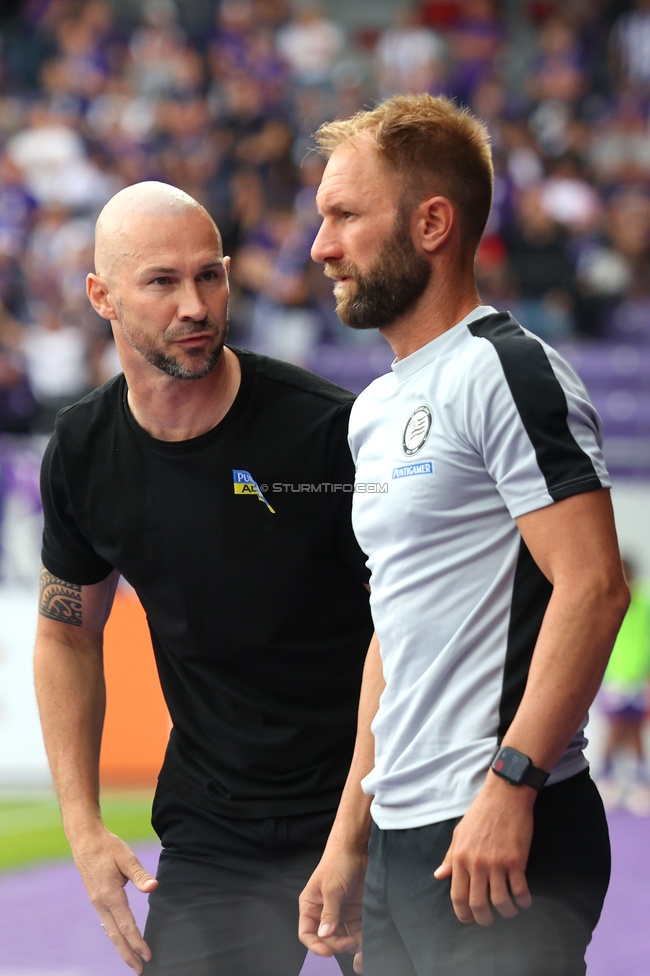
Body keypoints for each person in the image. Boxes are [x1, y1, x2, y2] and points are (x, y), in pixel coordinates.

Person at [298, 93, 630, 976]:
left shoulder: (506, 370)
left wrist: (511, 785)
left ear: (433, 222)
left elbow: (595, 586)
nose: (320, 246)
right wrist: (349, 838)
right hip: (400, 837)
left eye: (344, 216)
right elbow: (390, 635)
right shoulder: (375, 407)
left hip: (498, 830)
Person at [33, 180, 374, 976]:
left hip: (374, 800)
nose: (195, 305)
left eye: (210, 275)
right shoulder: (83, 450)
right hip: (216, 829)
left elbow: (407, 632)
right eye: (161, 282)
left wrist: (355, 832)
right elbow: (64, 635)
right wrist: (84, 830)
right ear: (102, 297)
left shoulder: (324, 431)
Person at [598, 556, 650, 815]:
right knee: (615, 730)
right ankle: (606, 778)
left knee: (637, 730)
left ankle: (641, 782)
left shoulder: (643, 604)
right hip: (613, 679)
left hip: (638, 680)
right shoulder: (608, 602)